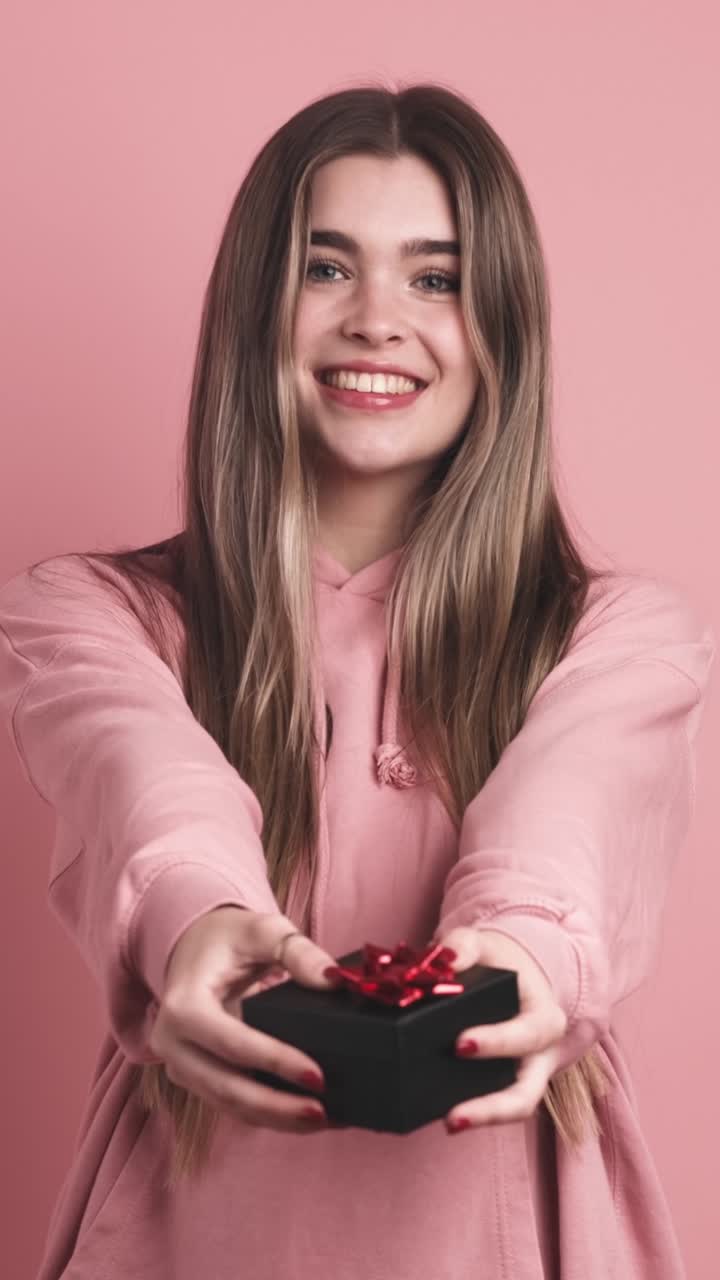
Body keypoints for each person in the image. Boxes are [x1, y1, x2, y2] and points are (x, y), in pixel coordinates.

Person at [0, 81, 714, 1280]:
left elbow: (568, 823)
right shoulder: (92, 615)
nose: (379, 319)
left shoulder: (619, 637)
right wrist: (200, 918)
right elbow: (142, 776)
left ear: (504, 327)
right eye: (327, 268)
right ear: (255, 308)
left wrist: (522, 951)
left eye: (436, 278)